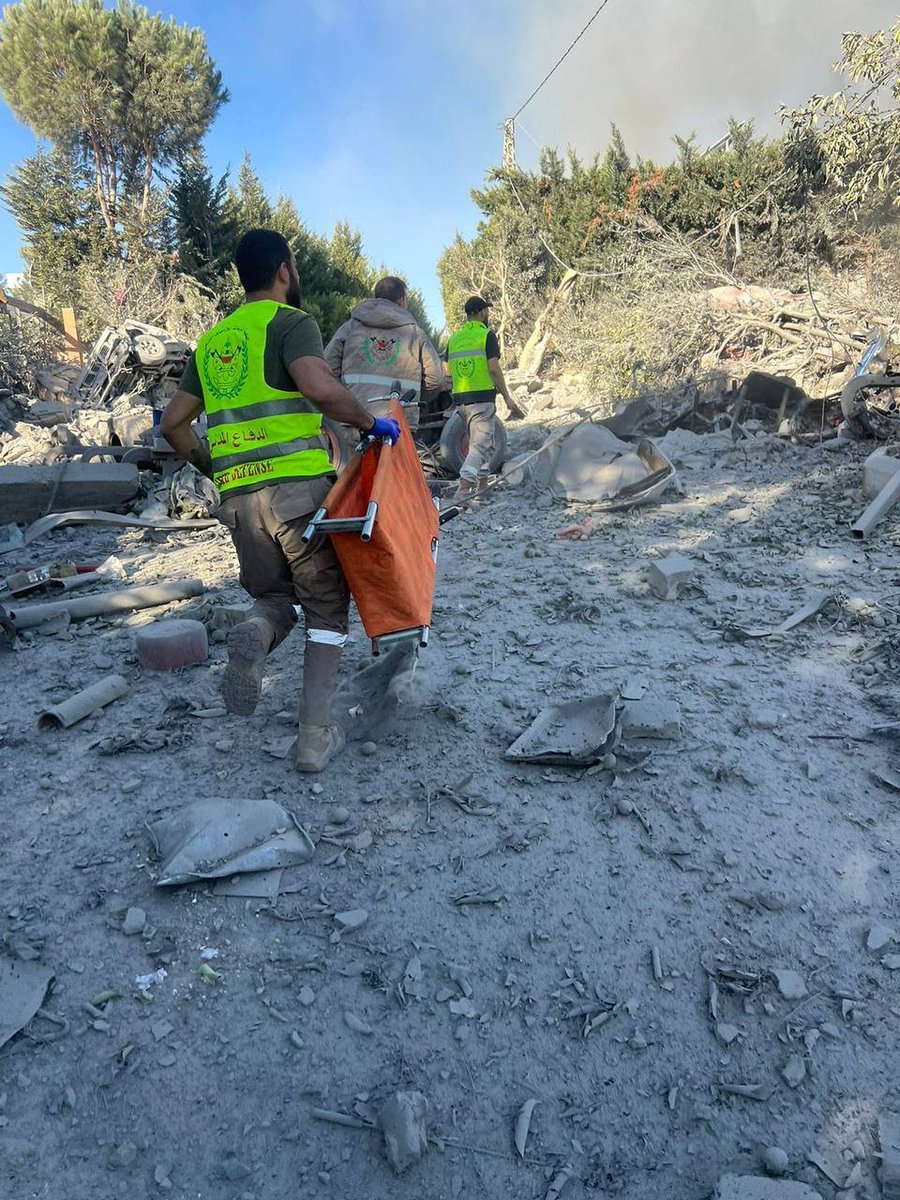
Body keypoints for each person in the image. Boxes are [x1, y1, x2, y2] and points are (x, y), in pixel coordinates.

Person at [159, 228, 400, 774]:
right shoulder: (291, 323)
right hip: (298, 497)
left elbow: (173, 424)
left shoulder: (213, 343)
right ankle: (314, 738)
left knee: (273, 598)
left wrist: (216, 464)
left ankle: (257, 633)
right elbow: (316, 386)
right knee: (326, 607)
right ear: (285, 271)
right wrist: (369, 422)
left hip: (240, 503)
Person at [323, 275, 444, 433]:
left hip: (356, 419)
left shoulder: (350, 328)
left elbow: (327, 368)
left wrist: (347, 399)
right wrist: (413, 397)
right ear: (401, 300)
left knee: (356, 459)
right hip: (399, 423)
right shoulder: (415, 333)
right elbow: (435, 379)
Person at [444, 296, 523, 498]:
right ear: (480, 312)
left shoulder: (454, 339)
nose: (488, 314)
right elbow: (494, 369)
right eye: (486, 311)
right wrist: (507, 396)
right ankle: (463, 491)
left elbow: (447, 370)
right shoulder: (486, 335)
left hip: (461, 400)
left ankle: (483, 488)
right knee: (480, 446)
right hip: (481, 400)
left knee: (481, 443)